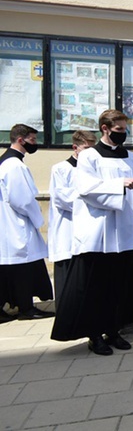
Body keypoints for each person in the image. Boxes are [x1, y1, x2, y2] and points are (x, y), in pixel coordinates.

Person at [51, 110, 133, 355]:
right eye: (118, 130)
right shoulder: (89, 156)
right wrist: (120, 184)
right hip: (99, 233)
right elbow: (86, 189)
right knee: (96, 287)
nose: (123, 134)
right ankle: (94, 335)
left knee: (120, 285)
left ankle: (114, 330)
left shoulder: (130, 157)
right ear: (105, 129)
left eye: (124, 130)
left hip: (125, 232)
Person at [0, 124, 54, 322]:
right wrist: (38, 217)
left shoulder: (4, 162)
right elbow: (22, 199)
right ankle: (26, 308)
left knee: (9, 269)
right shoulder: (15, 166)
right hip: (17, 225)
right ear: (21, 140)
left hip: (7, 225)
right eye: (33, 140)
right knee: (23, 269)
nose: (35, 144)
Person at [48, 130, 97, 307]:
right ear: (75, 148)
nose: (91, 153)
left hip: (89, 229)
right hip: (68, 228)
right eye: (86, 148)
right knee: (67, 277)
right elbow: (63, 198)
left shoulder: (95, 169)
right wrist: (91, 198)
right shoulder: (61, 169)